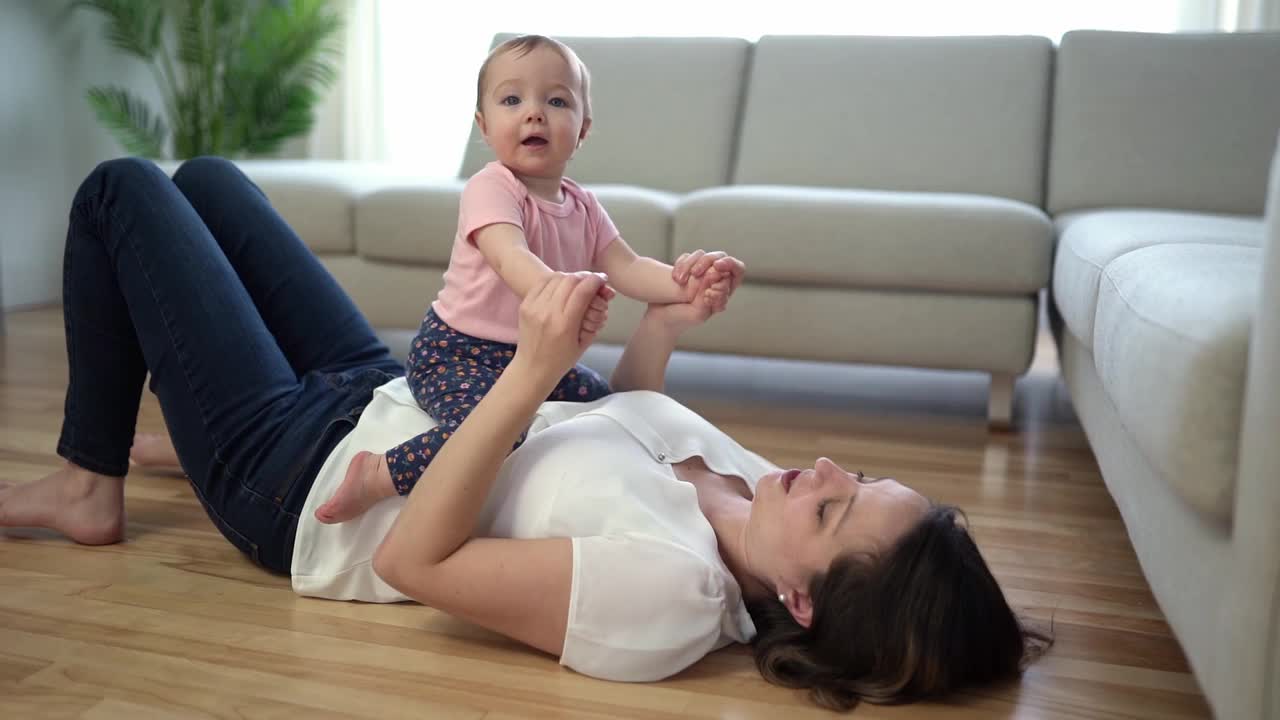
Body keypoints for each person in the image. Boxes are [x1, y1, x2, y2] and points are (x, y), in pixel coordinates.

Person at [0, 157, 1047, 711]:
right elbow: (613, 429)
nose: (817, 468)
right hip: (387, 397)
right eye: (855, 474)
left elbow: (417, 559)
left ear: (806, 602)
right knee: (211, 183)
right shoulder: (755, 496)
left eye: (833, 505)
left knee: (120, 191)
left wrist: (536, 366)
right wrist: (662, 328)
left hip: (300, 482)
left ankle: (93, 482)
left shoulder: (670, 601)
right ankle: (175, 441)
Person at [313, 34, 741, 525]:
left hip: (538, 359)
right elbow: (511, 257)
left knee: (610, 407)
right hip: (457, 352)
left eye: (557, 101)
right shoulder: (492, 187)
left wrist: (686, 284)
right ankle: (376, 474)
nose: (534, 113)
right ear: (485, 126)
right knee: (495, 430)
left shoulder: (584, 205)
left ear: (582, 130)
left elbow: (628, 267)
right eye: (512, 99)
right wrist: (568, 290)